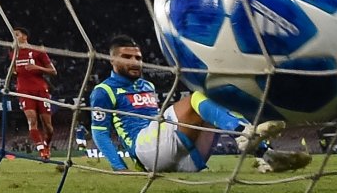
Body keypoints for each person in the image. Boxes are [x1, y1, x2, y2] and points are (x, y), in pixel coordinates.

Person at [90, 35, 302, 173]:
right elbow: (100, 132)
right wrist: (119, 167)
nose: (135, 61)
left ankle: (266, 155)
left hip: (178, 157)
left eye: (138, 57)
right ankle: (243, 133)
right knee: (197, 97)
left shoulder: (147, 85)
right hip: (144, 149)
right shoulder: (104, 90)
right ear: (112, 60)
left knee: (217, 102)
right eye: (127, 57)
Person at [11, 27, 58, 160]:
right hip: (24, 91)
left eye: (17, 35)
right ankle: (41, 149)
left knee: (48, 126)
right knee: (32, 120)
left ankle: (46, 145)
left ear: (25, 36)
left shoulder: (38, 51)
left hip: (41, 90)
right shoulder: (14, 53)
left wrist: (37, 68)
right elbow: (14, 69)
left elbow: (53, 71)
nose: (14, 37)